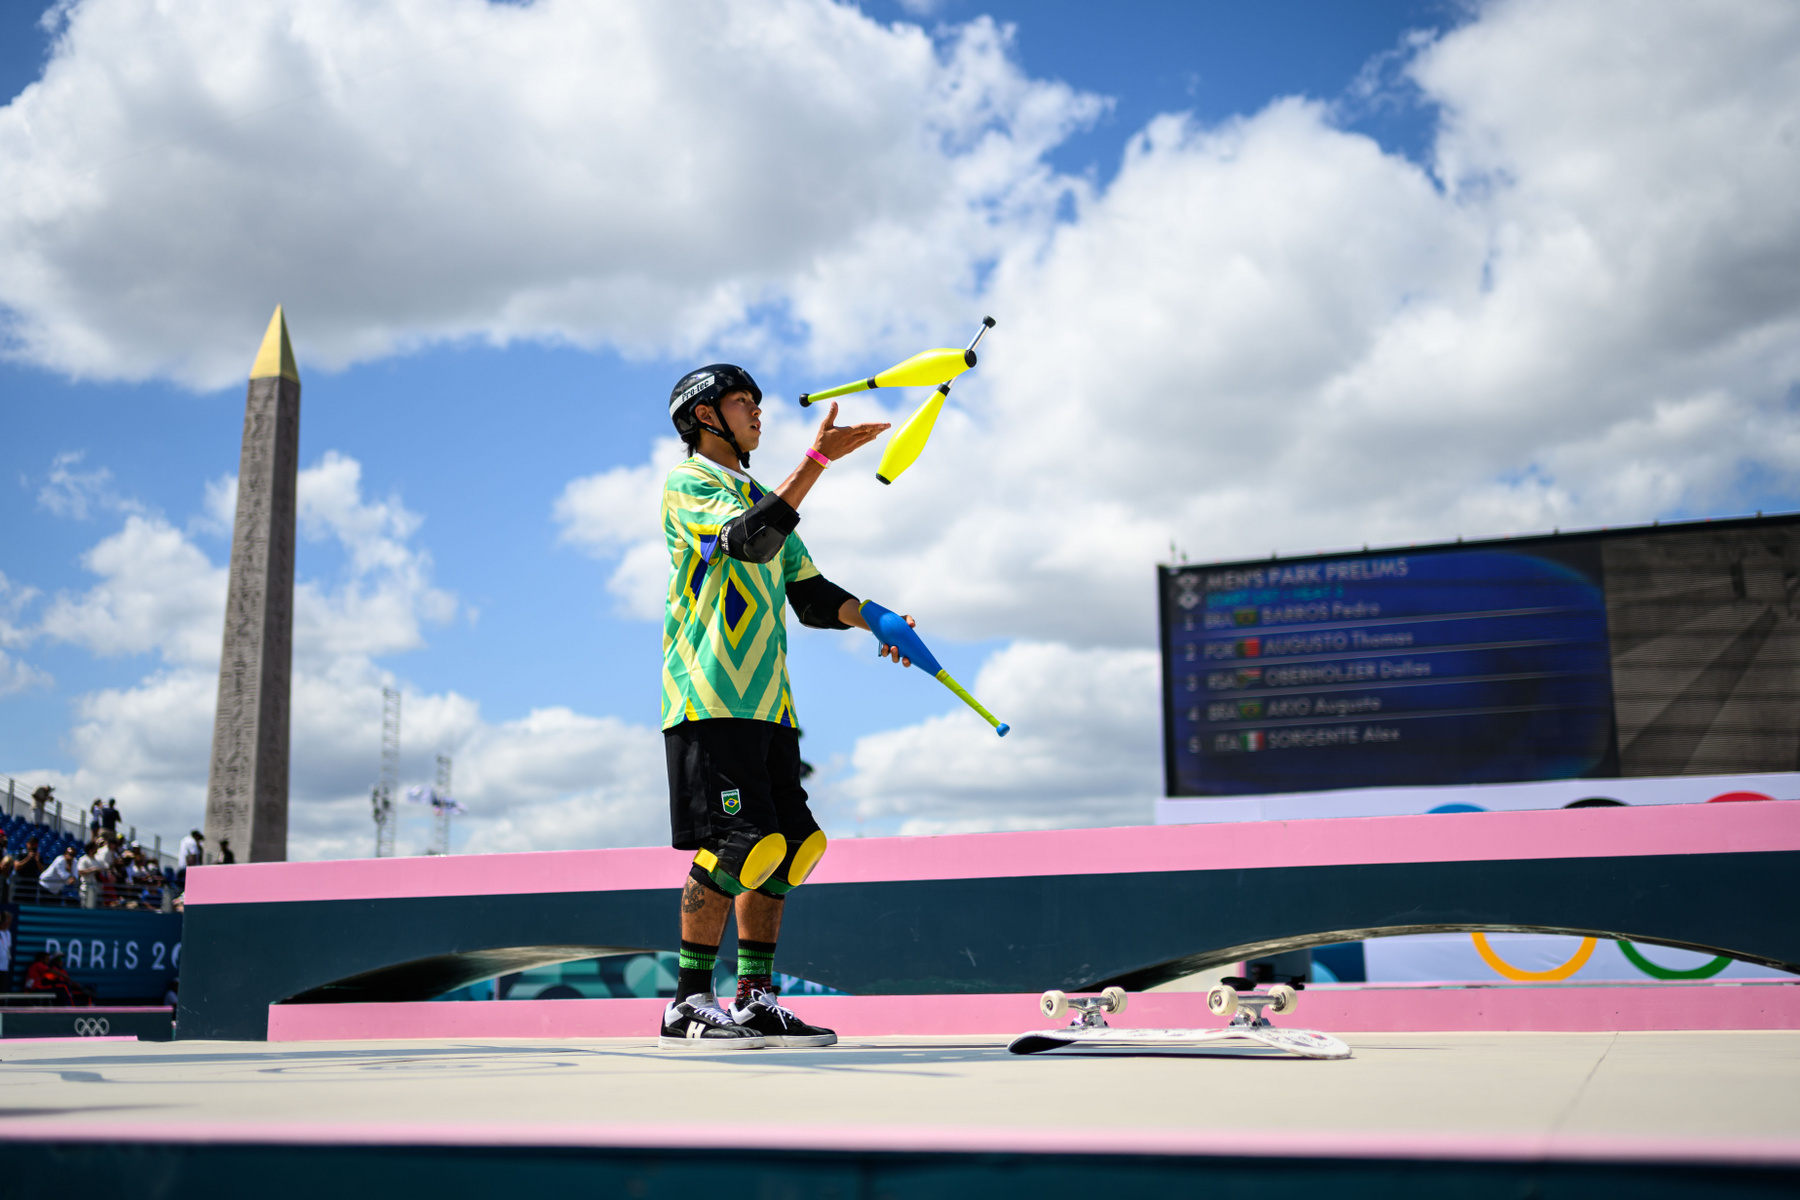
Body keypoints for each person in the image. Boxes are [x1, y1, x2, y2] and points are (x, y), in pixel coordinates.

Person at [655, 363, 906, 1049]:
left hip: (770, 705)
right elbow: (748, 539)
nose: (756, 413)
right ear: (705, 416)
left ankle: (756, 998)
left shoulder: (766, 494)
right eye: (742, 403)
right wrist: (818, 462)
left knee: (792, 846)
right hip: (710, 696)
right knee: (739, 844)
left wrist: (879, 620)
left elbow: (810, 593)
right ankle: (687, 1002)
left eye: (757, 403)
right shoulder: (689, 484)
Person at [77, 839, 104, 909]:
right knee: (84, 906)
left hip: (95, 887)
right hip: (86, 886)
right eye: (95, 848)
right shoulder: (83, 860)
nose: (96, 850)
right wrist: (92, 869)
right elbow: (81, 872)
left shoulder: (97, 861)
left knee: (92, 907)